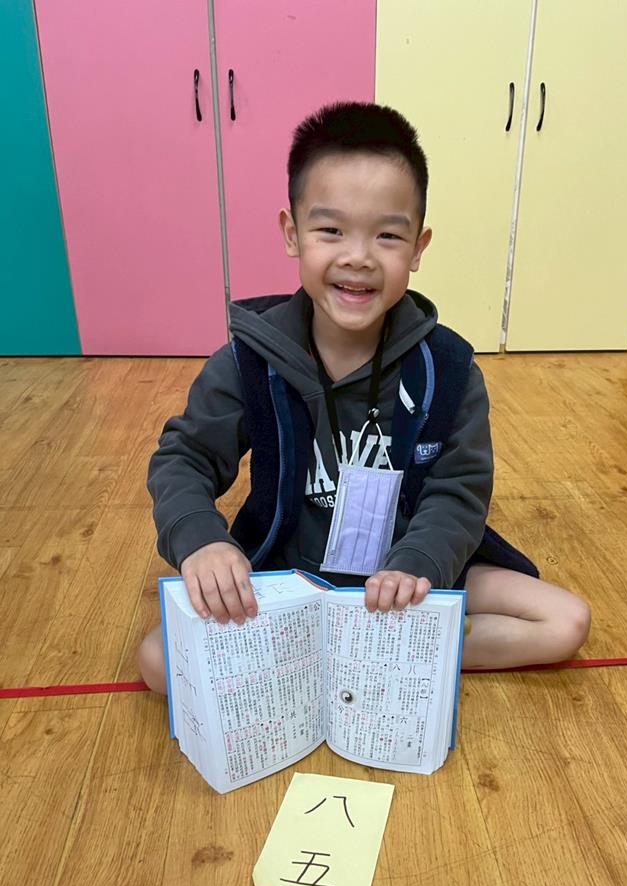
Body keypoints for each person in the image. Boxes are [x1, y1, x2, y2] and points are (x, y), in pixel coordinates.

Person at [138, 101, 590, 693]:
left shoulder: (447, 368)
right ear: (292, 233)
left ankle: (339, 651)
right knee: (158, 660)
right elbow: (184, 458)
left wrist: (419, 565)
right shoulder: (251, 360)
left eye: (387, 235)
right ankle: (359, 652)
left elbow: (459, 492)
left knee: (565, 621)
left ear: (418, 247)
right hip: (288, 579)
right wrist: (202, 541)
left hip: (401, 586)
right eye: (331, 230)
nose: (358, 256)